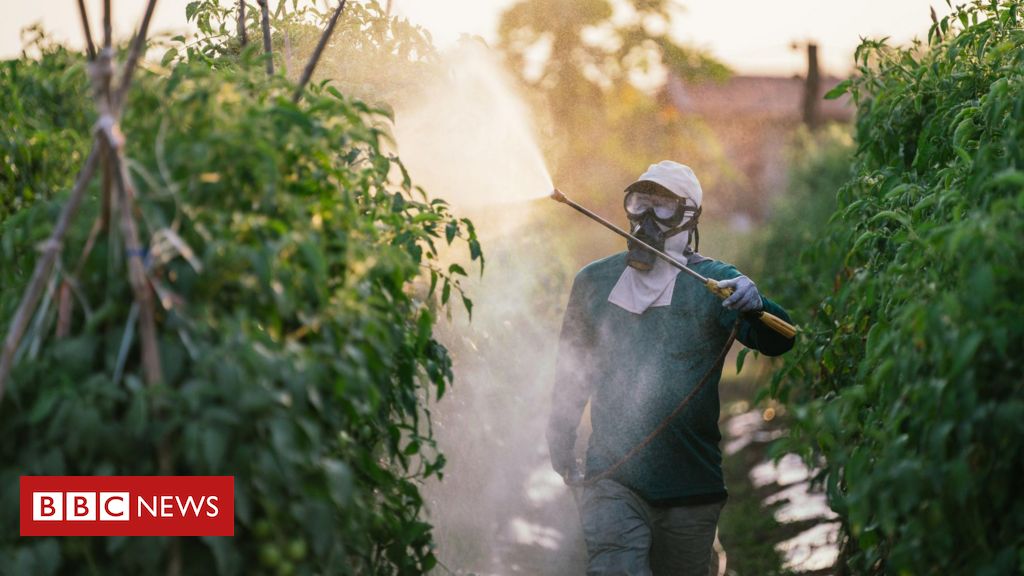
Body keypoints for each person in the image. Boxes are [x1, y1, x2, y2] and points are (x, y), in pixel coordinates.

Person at [547, 161, 795, 576]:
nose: (646, 218)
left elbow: (780, 339)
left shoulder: (715, 285)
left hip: (691, 487)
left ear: (689, 217)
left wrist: (756, 304)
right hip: (613, 479)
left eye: (662, 207)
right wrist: (561, 443)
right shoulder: (594, 282)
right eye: (639, 203)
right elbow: (572, 372)